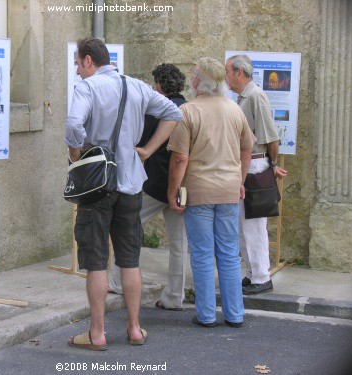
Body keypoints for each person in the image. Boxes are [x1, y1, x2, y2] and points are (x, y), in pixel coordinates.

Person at [64, 38, 182, 350]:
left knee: (96, 261)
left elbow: (74, 123)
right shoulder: (138, 87)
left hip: (96, 186)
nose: (77, 70)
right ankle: (133, 328)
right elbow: (173, 113)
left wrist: (76, 151)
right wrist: (147, 149)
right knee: (130, 260)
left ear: (89, 61)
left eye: (78, 63)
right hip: (131, 183)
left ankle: (98, 334)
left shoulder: (87, 88)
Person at [167, 57, 255, 327]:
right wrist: (239, 181)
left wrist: (173, 191)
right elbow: (247, 149)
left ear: (197, 82)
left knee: (203, 253)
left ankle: (206, 314)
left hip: (199, 191)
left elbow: (180, 159)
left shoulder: (188, 112)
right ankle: (235, 314)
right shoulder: (234, 109)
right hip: (228, 190)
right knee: (229, 253)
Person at [108, 63, 188, 311]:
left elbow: (139, 141)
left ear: (159, 86)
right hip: (182, 185)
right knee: (178, 245)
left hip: (155, 184)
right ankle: (175, 296)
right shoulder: (189, 108)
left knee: (126, 226)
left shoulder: (156, 112)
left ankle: (118, 282)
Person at [225, 55, 287, 295]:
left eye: (228, 71)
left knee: (253, 224)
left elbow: (271, 137)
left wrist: (271, 165)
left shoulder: (255, 96)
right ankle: (253, 273)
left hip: (256, 164)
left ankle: (261, 276)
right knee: (245, 224)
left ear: (239, 73)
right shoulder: (245, 97)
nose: (226, 77)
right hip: (251, 163)